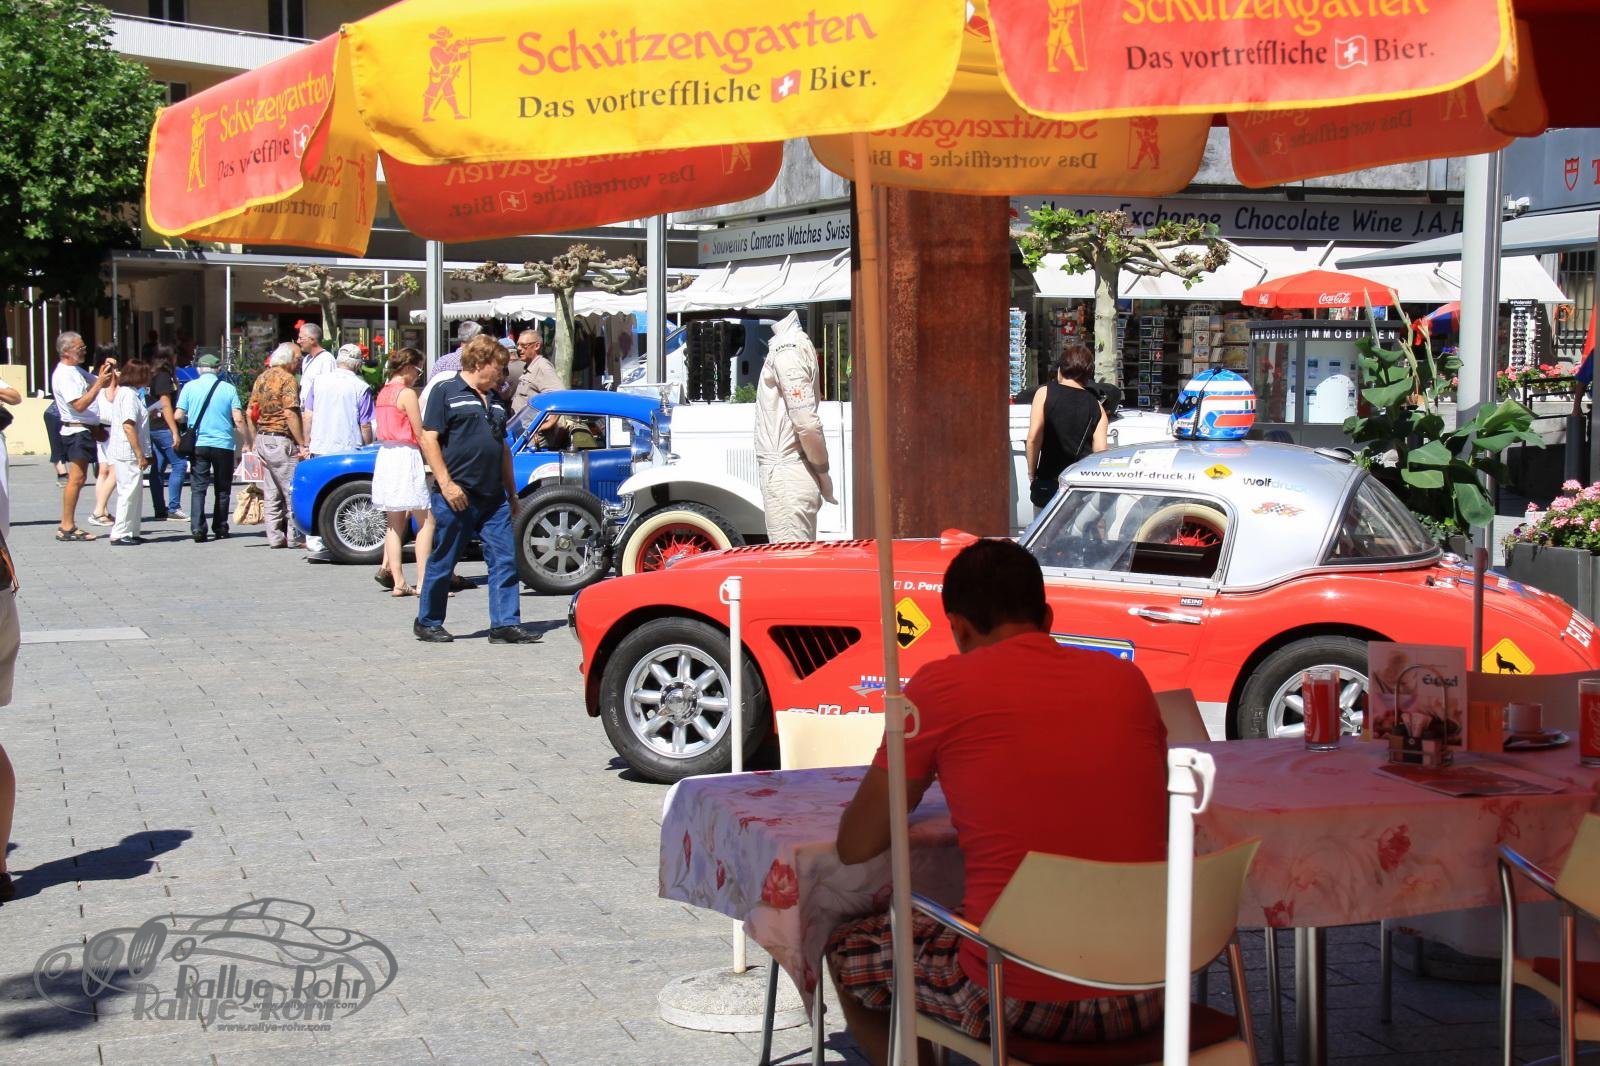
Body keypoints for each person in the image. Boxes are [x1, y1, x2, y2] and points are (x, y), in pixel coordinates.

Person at [828, 539, 1168, 1064]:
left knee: (848, 948)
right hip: (1149, 991)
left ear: (959, 627)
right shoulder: (1128, 681)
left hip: (1017, 996)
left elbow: (856, 844)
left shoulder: (941, 687)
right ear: (1047, 617)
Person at [413, 335, 538, 645]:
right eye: (499, 367)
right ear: (481, 363)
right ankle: (428, 621)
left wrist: (512, 493)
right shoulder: (446, 391)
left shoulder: (494, 400)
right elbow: (429, 439)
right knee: (445, 559)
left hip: (493, 496)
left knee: (504, 559)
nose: (503, 375)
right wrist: (446, 484)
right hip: (457, 494)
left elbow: (503, 448)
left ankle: (504, 624)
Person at [755, 312, 835, 542]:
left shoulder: (787, 350)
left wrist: (823, 472)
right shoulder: (790, 346)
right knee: (794, 557)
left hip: (787, 473)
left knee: (791, 558)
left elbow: (806, 422)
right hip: (789, 469)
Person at [372, 348, 435, 597]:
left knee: (394, 522)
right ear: (408, 368)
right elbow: (419, 432)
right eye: (418, 370)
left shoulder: (383, 392)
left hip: (386, 454)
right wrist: (434, 462)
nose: (418, 375)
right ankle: (423, 581)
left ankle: (399, 581)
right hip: (405, 454)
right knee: (426, 520)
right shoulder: (406, 393)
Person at [1025, 344, 1109, 511]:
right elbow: (1100, 453)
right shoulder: (1097, 407)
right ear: (1087, 374)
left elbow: (1034, 438)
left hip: (1048, 484)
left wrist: (1032, 473)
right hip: (1080, 488)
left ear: (1060, 369)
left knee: (1044, 526)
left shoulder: (1044, 393)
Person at [176, 353, 244, 542]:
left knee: (198, 487)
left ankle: (198, 528)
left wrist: (190, 419)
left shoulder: (189, 387)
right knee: (223, 489)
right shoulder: (229, 389)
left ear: (199, 369)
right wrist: (247, 441)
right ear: (218, 369)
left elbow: (178, 415)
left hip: (199, 443)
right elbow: (238, 418)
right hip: (223, 444)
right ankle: (220, 526)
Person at [246, 342, 308, 549]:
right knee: (291, 490)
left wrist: (254, 440)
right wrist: (302, 443)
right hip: (280, 438)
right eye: (297, 359)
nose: (298, 363)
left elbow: (250, 411)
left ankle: (274, 537)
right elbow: (290, 412)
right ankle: (295, 536)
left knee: (271, 491)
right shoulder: (288, 379)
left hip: (263, 438)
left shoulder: (262, 377)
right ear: (288, 360)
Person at [52, 331, 113, 542]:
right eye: (80, 348)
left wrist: (104, 373)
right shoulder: (65, 375)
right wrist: (99, 383)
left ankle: (67, 525)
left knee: (79, 479)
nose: (84, 351)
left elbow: (101, 383)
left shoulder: (75, 371)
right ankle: (66, 526)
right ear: (66, 351)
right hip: (76, 431)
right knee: (76, 479)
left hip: (85, 430)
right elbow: (79, 405)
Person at [106, 359, 152, 546]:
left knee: (135, 493)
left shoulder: (130, 393)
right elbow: (128, 425)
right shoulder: (128, 395)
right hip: (128, 452)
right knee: (128, 493)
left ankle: (132, 530)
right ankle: (120, 532)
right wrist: (140, 453)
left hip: (129, 451)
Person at [304, 345, 375, 456]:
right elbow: (365, 425)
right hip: (349, 449)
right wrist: (368, 447)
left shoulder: (318, 381)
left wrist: (306, 444)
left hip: (319, 447)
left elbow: (308, 416)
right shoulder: (362, 387)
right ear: (358, 365)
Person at [147, 347, 187, 521]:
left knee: (158, 467)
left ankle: (159, 509)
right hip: (163, 427)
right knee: (179, 464)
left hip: (153, 426)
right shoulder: (163, 376)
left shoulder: (152, 374)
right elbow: (165, 405)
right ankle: (173, 507)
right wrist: (174, 431)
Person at [87, 345, 122, 528]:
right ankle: (99, 510)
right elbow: (111, 396)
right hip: (111, 428)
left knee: (103, 471)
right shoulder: (107, 377)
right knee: (114, 471)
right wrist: (116, 376)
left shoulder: (92, 376)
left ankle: (103, 510)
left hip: (100, 426)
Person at [508, 329, 562, 414]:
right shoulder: (530, 366)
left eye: (523, 345)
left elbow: (559, 397)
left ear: (537, 346)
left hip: (531, 422)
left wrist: (548, 421)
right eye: (518, 345)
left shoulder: (542, 366)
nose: (519, 348)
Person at [297, 322, 334, 407]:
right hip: (304, 409)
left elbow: (328, 388)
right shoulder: (306, 359)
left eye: (301, 338)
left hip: (317, 408)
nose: (298, 341)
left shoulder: (326, 359)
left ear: (312, 340)